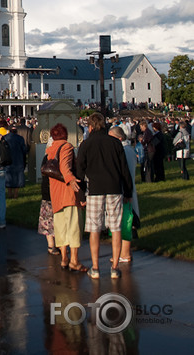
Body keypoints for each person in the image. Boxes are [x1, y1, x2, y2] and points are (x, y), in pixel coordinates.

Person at [76, 112, 133, 279]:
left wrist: (81, 195)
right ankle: (114, 267)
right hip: (114, 188)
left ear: (91, 127)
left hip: (94, 189)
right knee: (116, 228)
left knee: (94, 229)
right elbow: (124, 170)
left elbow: (80, 171)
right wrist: (128, 191)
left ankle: (95, 267)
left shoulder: (86, 145)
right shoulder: (115, 143)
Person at [45, 123, 86, 272]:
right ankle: (74, 260)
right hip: (68, 191)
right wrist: (71, 179)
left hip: (55, 193)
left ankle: (64, 258)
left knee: (60, 227)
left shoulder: (50, 149)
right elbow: (65, 166)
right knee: (73, 226)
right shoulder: (67, 147)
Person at [109, 126, 140, 262]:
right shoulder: (129, 150)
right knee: (123, 221)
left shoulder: (124, 150)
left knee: (125, 223)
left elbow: (123, 172)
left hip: (124, 189)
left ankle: (125, 253)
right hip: (127, 188)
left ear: (119, 138)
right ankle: (122, 252)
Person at [4, 124, 27, 199]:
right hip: (18, 159)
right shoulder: (20, 138)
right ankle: (15, 194)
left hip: (8, 159)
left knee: (8, 176)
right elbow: (24, 150)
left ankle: (9, 193)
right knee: (18, 177)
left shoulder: (5, 138)